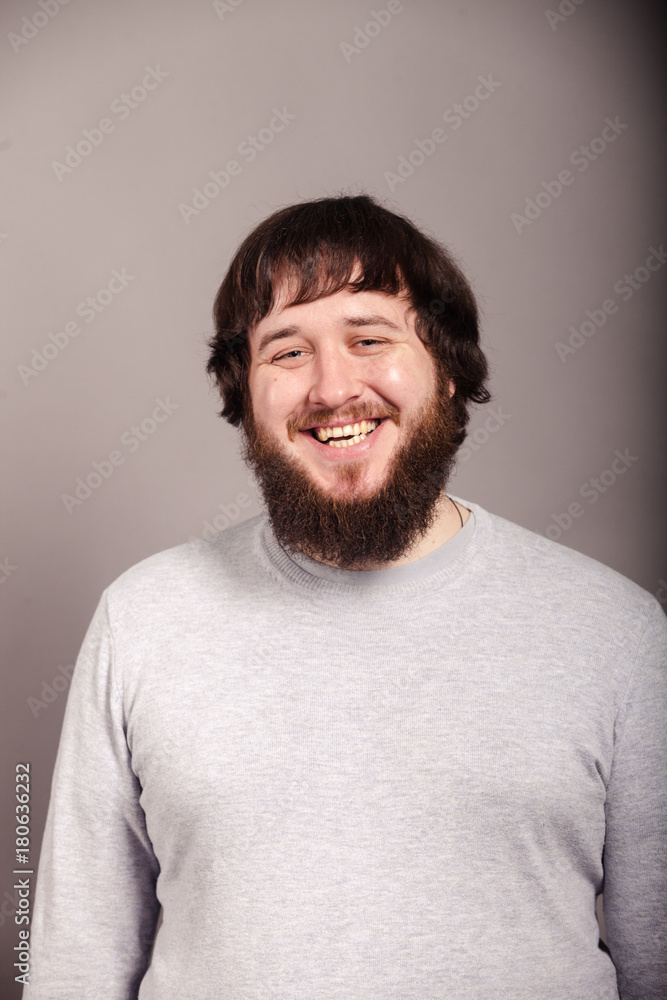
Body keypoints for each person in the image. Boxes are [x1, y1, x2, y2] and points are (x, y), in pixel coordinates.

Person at [25, 195, 666, 999]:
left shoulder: (614, 631)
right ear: (244, 392)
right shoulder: (143, 619)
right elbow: (72, 965)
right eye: (286, 352)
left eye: (369, 339)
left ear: (446, 365)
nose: (332, 388)